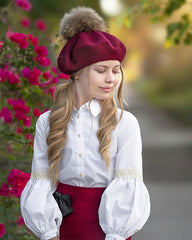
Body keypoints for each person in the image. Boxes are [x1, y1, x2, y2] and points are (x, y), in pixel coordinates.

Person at [20, 6, 150, 240]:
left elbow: (128, 182)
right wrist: (48, 234)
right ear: (77, 72)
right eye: (101, 70)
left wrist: (115, 234)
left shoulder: (124, 123)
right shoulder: (48, 122)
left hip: (110, 229)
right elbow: (41, 180)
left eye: (116, 70)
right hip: (62, 227)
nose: (111, 79)